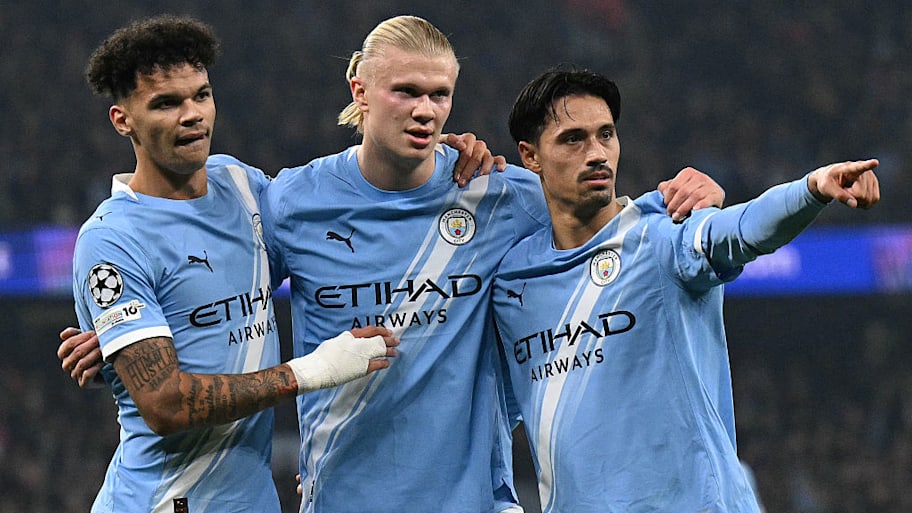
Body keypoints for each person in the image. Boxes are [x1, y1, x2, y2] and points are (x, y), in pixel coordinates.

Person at [61, 15, 725, 513]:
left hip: (458, 498)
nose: (425, 110)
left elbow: (605, 226)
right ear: (361, 89)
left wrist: (688, 200)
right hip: (232, 498)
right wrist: (126, 344)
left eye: (439, 94)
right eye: (406, 91)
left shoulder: (248, 189)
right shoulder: (284, 203)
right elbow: (172, 378)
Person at [492, 68, 880, 512]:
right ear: (531, 155)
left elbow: (739, 230)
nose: (597, 153)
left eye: (606, 135)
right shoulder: (512, 282)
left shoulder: (660, 236)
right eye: (573, 139)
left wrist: (811, 190)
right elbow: (486, 412)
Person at [73, 15, 400, 513]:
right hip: (164, 501)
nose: (192, 115)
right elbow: (165, 404)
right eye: (166, 103)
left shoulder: (240, 183)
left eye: (201, 95)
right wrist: (310, 371)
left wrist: (433, 161)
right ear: (123, 120)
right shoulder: (112, 239)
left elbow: (325, 241)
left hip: (251, 499)